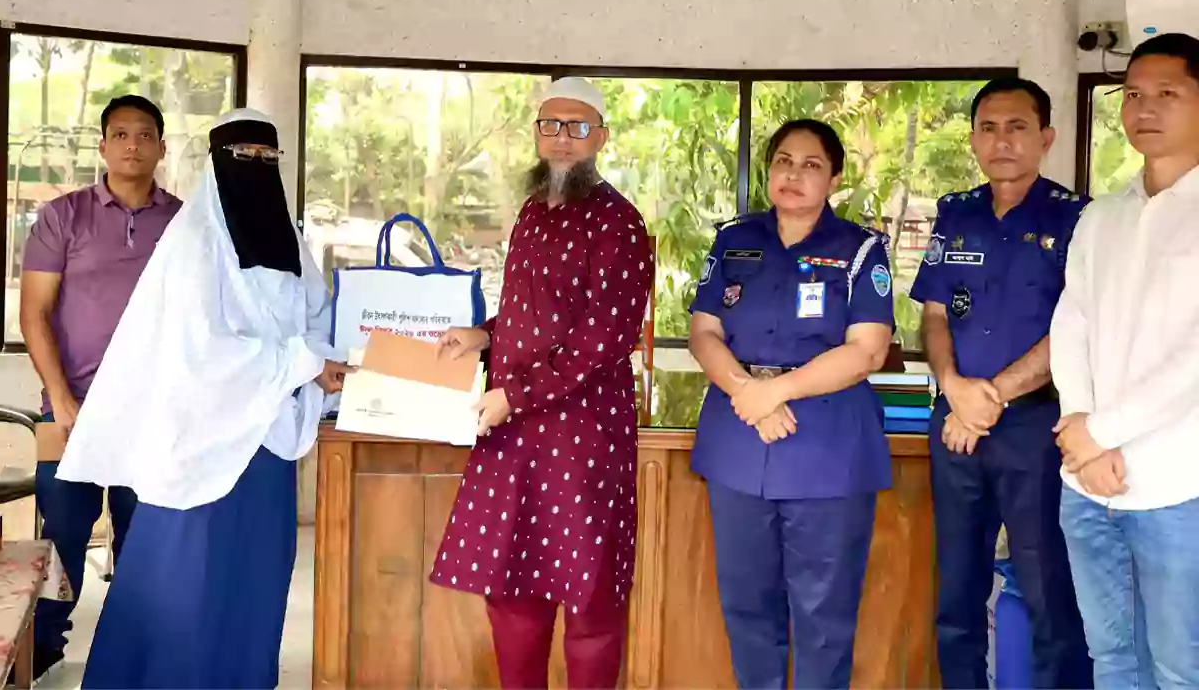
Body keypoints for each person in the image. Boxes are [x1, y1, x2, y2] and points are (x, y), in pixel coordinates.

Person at [54, 108, 351, 689]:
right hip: (201, 446)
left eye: (267, 156)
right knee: (185, 585)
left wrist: (324, 358)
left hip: (267, 446)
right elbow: (202, 347)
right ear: (218, 162)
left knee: (255, 580)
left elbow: (318, 319)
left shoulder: (289, 242)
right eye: (243, 155)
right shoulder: (195, 239)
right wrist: (304, 363)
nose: (256, 166)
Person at [430, 77, 654, 689]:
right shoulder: (533, 212)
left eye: (576, 127)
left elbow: (602, 339)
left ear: (601, 137)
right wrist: (482, 335)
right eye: (550, 125)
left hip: (583, 438)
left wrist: (515, 395)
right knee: (512, 594)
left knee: (589, 601)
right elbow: (533, 315)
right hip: (514, 433)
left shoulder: (618, 223)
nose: (561, 138)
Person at [687, 119, 894, 689]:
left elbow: (867, 349)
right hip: (738, 438)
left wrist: (773, 392)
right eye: (783, 161)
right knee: (747, 607)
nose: (794, 174)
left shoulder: (860, 249)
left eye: (811, 165)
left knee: (823, 616)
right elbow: (704, 331)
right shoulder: (734, 239)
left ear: (835, 178)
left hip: (826, 444)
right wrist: (744, 390)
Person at [909, 77, 1093, 689]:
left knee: (1048, 591)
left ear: (1046, 137)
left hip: (1037, 428)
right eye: (988, 128)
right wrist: (953, 389)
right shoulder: (955, 213)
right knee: (956, 591)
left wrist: (988, 399)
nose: (1002, 141)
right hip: (956, 426)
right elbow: (935, 315)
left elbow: (1075, 326)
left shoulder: (1077, 219)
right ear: (973, 140)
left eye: (1017, 127)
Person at [1051, 32, 1199, 689]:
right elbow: (1072, 323)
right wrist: (1081, 429)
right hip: (1087, 484)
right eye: (1133, 94)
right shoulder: (1101, 217)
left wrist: (1101, 432)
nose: (1145, 108)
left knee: (1179, 668)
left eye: (1168, 92)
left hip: (1180, 486)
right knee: (1111, 659)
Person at [17, 95, 181, 680]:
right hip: (71, 411)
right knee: (61, 540)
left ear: (161, 147)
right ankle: (41, 653)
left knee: (146, 545)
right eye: (121, 134)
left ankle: (132, 657)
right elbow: (34, 313)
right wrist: (61, 399)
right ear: (104, 145)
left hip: (154, 415)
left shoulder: (185, 223)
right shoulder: (63, 216)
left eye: (145, 134)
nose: (133, 145)